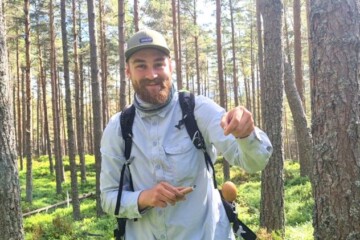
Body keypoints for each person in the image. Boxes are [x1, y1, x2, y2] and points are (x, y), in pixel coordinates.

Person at [100, 29, 273, 240]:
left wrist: (246, 135)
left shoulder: (198, 110)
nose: (152, 74)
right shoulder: (119, 127)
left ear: (171, 66)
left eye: (158, 64)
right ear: (128, 71)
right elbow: (109, 198)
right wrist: (145, 198)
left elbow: (254, 163)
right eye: (140, 65)